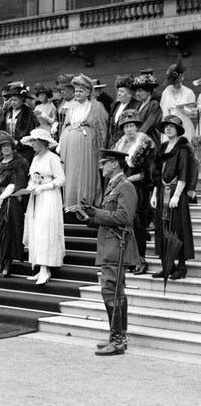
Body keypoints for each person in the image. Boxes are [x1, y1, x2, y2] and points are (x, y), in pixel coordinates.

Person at [79, 149, 140, 356]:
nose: (101, 166)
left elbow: (124, 217)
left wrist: (96, 212)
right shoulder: (114, 186)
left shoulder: (125, 186)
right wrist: (89, 217)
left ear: (115, 164)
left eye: (104, 163)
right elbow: (110, 217)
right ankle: (119, 336)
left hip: (118, 245)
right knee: (114, 291)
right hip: (110, 244)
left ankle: (117, 340)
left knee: (111, 290)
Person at [151, 115, 195, 280]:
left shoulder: (182, 149)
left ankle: (181, 267)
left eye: (172, 126)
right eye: (166, 126)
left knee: (178, 228)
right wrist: (155, 193)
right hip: (162, 190)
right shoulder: (162, 148)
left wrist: (177, 195)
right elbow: (156, 173)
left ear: (178, 130)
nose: (168, 129)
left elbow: (183, 173)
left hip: (176, 191)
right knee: (162, 229)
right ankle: (167, 266)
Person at [113, 110, 156, 275]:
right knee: (123, 223)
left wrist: (129, 180)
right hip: (121, 188)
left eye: (132, 126)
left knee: (138, 224)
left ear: (137, 127)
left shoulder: (146, 145)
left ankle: (140, 259)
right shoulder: (120, 144)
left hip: (139, 188)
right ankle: (128, 259)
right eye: (126, 127)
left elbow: (149, 172)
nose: (129, 129)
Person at [21, 129, 66, 285]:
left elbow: (61, 179)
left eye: (35, 141)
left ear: (43, 141)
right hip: (36, 198)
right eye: (31, 141)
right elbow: (32, 177)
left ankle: (45, 269)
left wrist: (44, 187)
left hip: (49, 197)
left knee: (45, 229)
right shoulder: (35, 159)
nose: (32, 144)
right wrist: (31, 186)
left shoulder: (53, 158)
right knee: (36, 229)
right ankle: (39, 266)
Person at [59, 74, 109, 208]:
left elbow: (101, 130)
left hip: (87, 145)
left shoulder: (96, 107)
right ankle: (71, 202)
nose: (78, 94)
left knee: (85, 173)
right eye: (76, 91)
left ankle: (86, 203)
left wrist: (101, 150)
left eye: (81, 91)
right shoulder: (72, 107)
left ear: (88, 92)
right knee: (72, 173)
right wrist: (61, 143)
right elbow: (66, 125)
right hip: (70, 146)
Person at [0, 136, 28, 277]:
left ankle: (7, 263)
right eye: (3, 146)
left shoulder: (19, 163)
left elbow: (15, 183)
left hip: (10, 199)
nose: (6, 148)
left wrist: (2, 198)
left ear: (12, 147)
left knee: (8, 231)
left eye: (8, 145)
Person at [0, 85, 38, 165]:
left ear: (22, 100)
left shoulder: (28, 113)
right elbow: (2, 128)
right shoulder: (8, 113)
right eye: (12, 100)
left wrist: (19, 142)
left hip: (24, 149)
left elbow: (30, 131)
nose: (13, 102)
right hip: (9, 147)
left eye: (16, 100)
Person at [160, 57, 196, 142]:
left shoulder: (189, 92)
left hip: (184, 126)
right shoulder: (166, 91)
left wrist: (183, 109)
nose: (178, 83)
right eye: (175, 81)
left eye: (181, 78)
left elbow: (193, 113)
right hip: (169, 125)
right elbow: (164, 110)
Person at [107, 76, 140, 148]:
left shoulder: (136, 105)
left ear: (130, 94)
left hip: (128, 144)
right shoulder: (115, 106)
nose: (119, 93)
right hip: (113, 144)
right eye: (118, 91)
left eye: (122, 91)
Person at [131, 72, 163, 148]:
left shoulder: (154, 104)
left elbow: (149, 124)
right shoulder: (138, 105)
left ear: (148, 91)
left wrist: (137, 136)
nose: (137, 94)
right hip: (138, 141)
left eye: (140, 91)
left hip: (149, 141)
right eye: (136, 91)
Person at [52, 74, 75, 138]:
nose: (62, 92)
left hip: (72, 133)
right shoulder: (61, 102)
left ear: (72, 90)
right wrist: (55, 123)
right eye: (60, 90)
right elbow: (57, 117)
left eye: (64, 90)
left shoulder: (77, 102)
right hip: (60, 133)